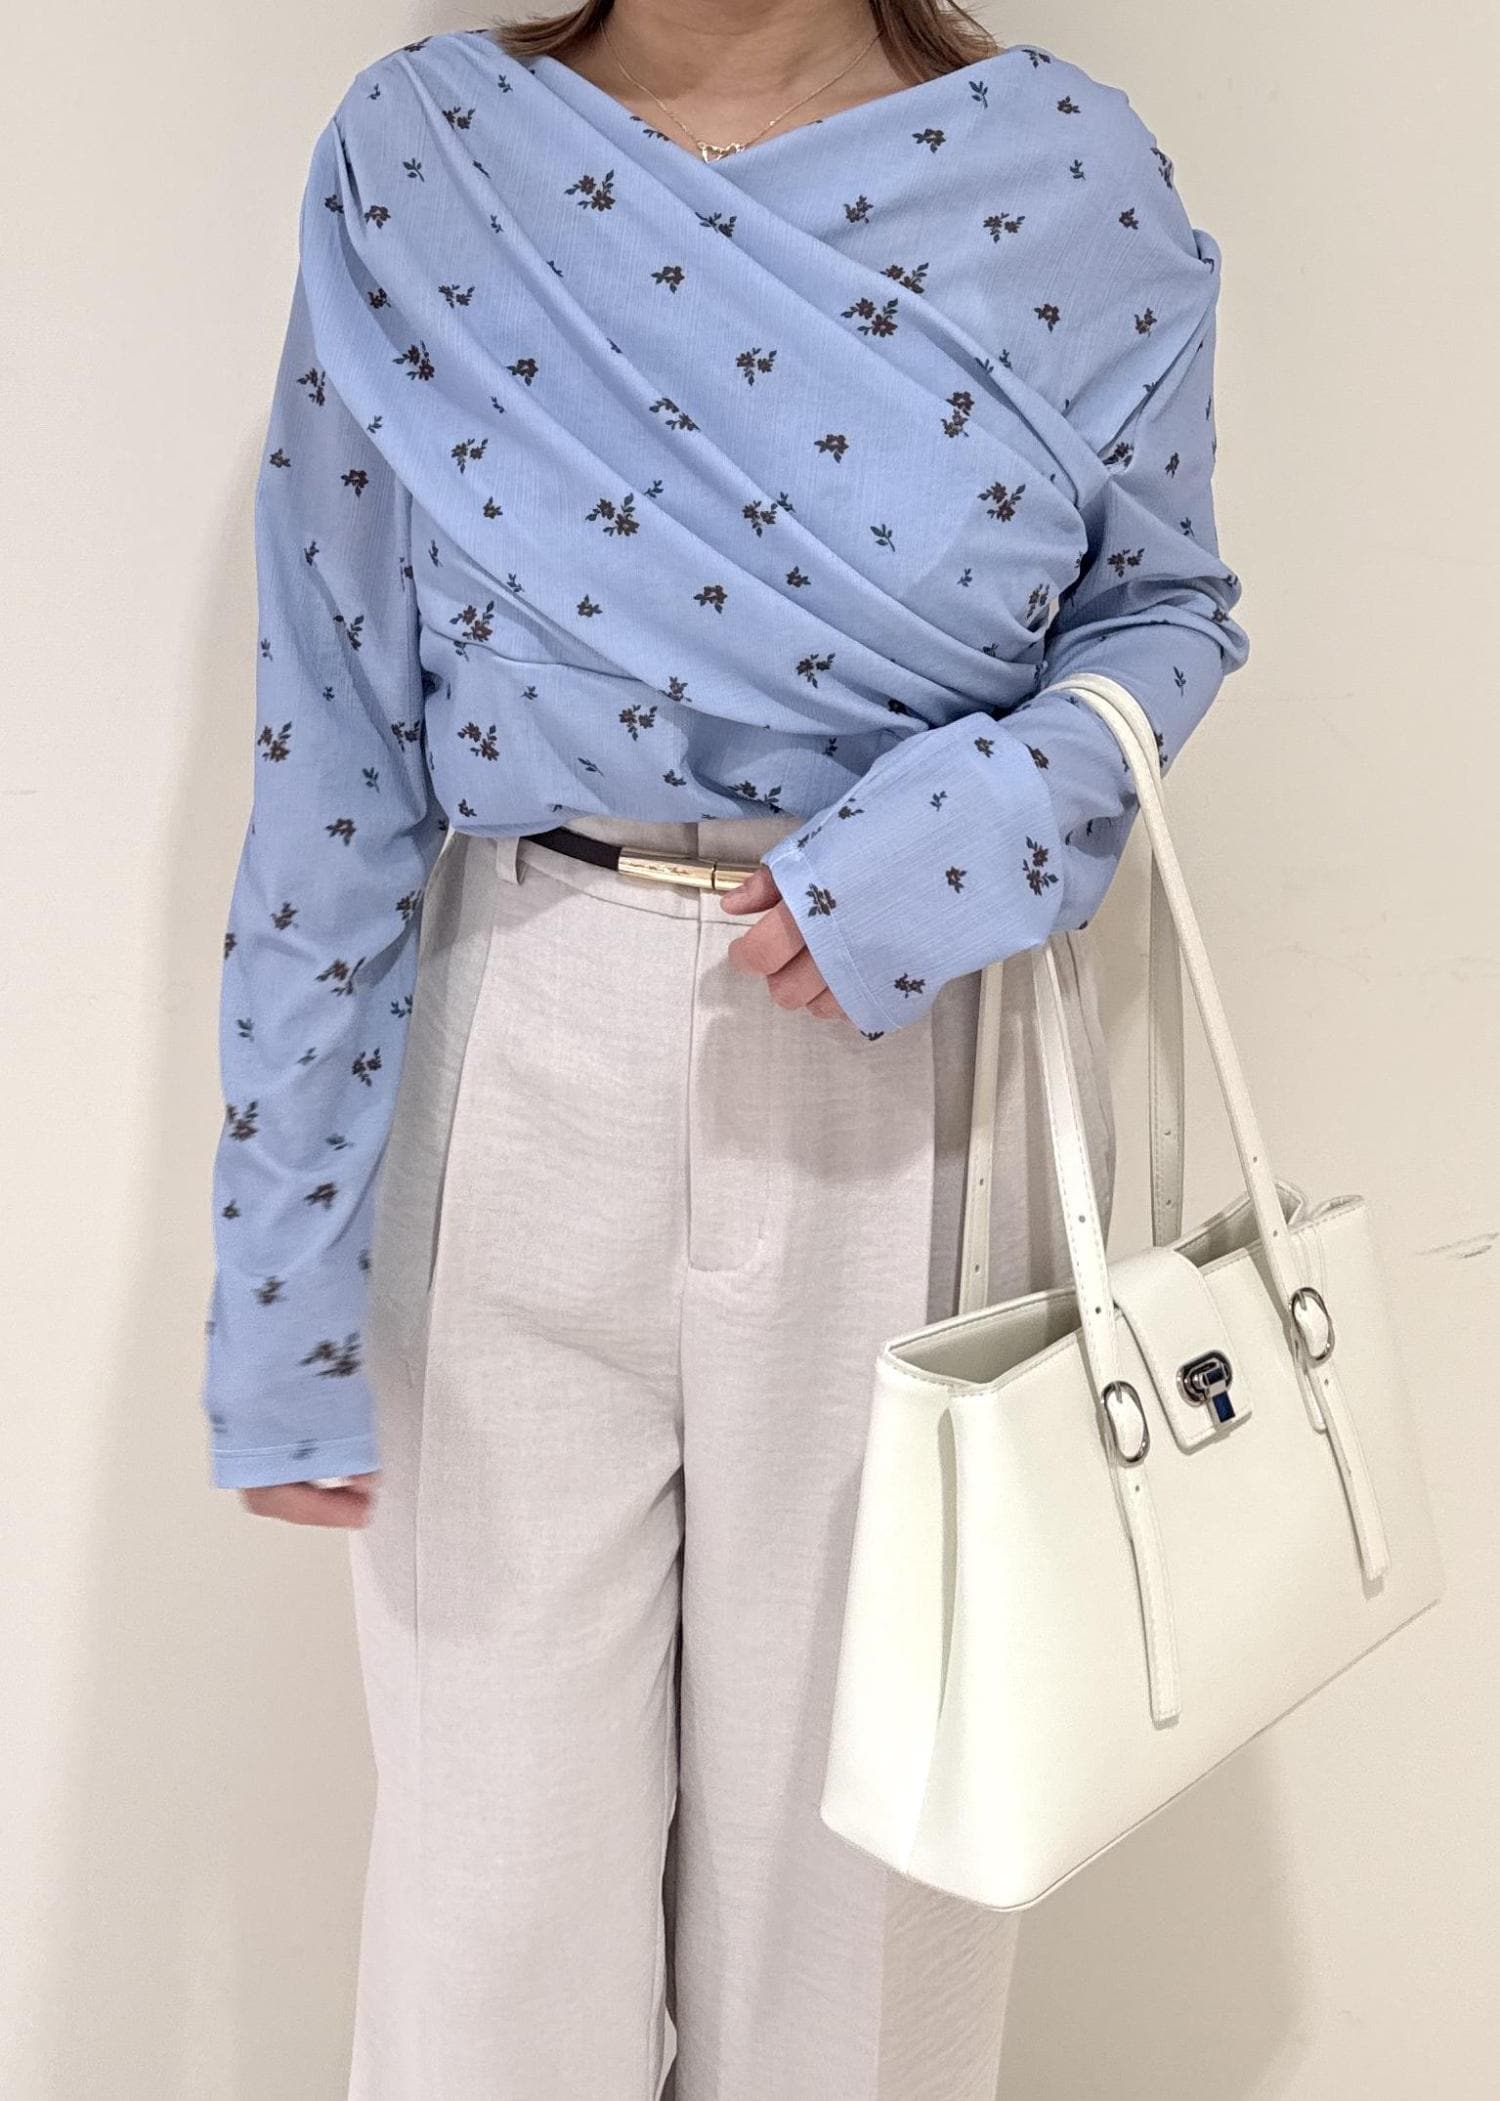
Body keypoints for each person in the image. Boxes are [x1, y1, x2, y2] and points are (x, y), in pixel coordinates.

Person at [199, 3, 1249, 2092]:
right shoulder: (433, 155)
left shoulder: (1062, 170)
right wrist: (278, 1272)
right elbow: (333, 719)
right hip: (523, 1027)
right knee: (491, 1928)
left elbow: (1164, 612)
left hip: (906, 1074)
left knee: (868, 1933)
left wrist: (974, 829)